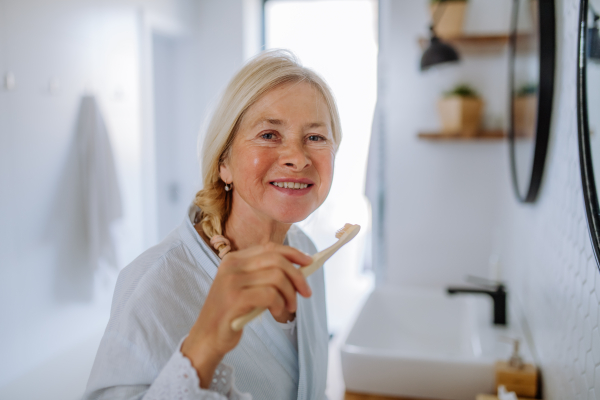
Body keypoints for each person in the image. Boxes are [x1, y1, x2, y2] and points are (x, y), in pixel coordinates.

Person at [83, 49, 342, 400]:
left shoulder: (307, 253)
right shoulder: (156, 282)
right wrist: (204, 344)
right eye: (269, 134)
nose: (297, 157)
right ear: (224, 163)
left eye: (315, 137)